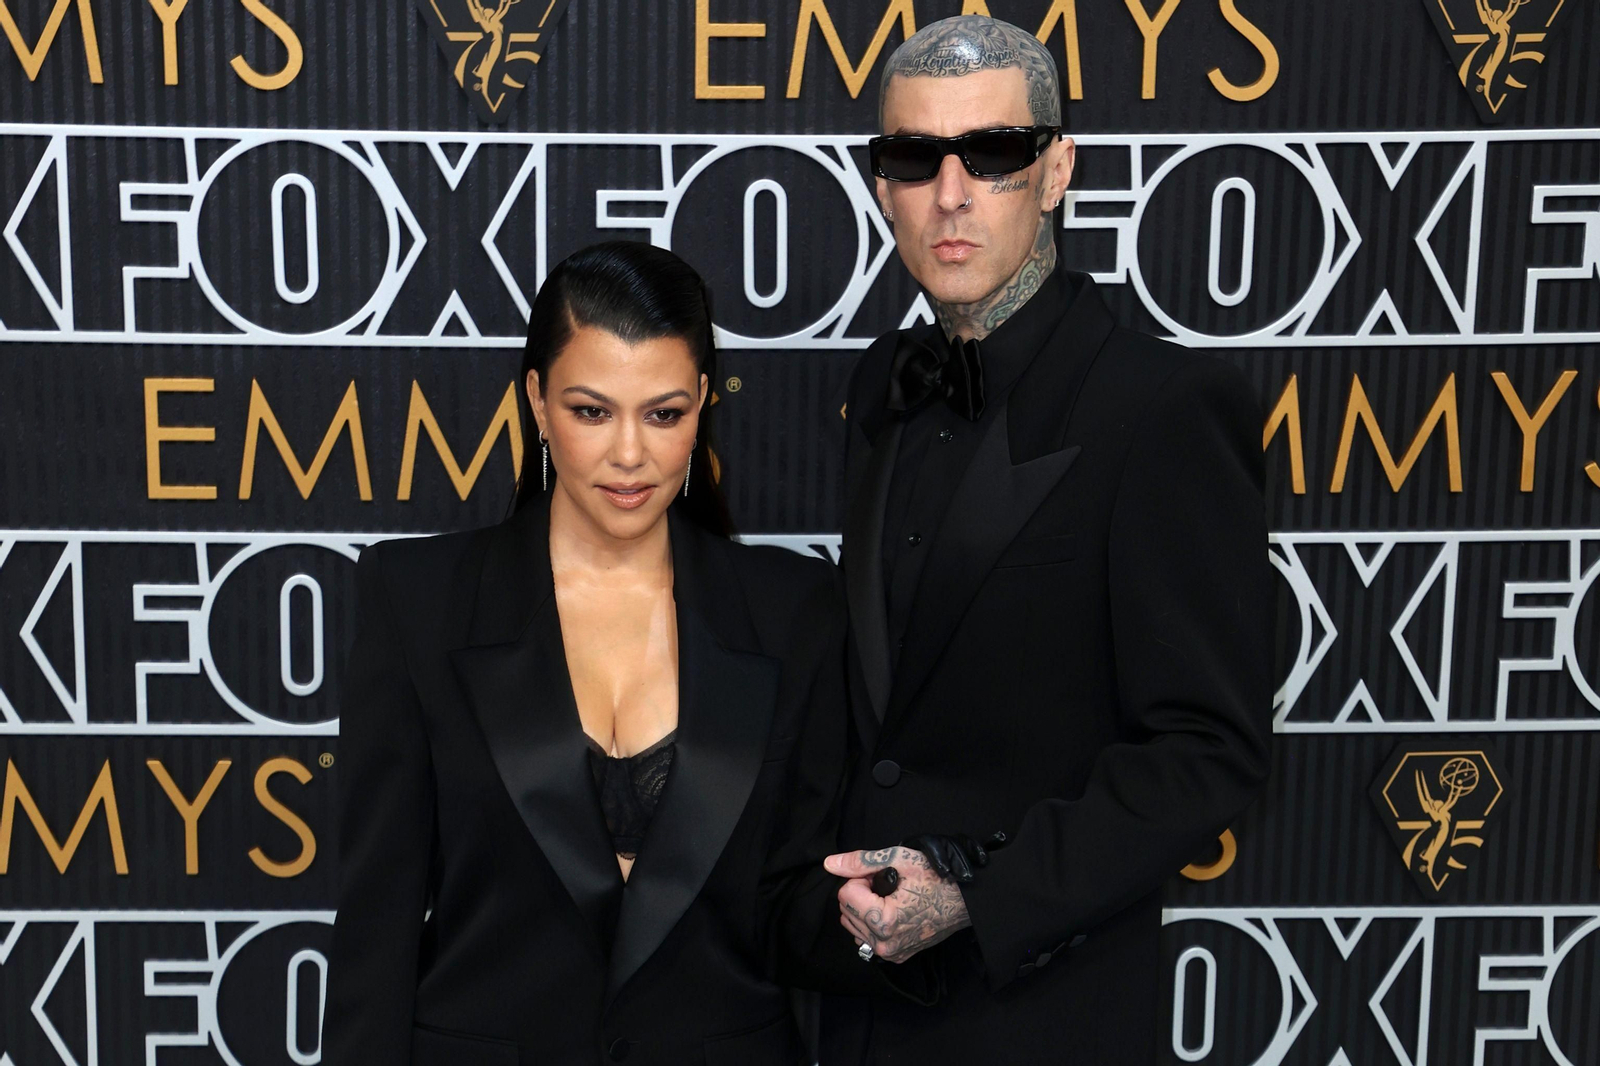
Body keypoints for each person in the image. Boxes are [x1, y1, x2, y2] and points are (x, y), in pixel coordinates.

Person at [819, 16, 1274, 1063]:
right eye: (912, 156)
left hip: (1042, 1010)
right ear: (880, 182)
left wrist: (977, 895)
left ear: (1056, 167)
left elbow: (1208, 748)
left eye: (992, 153)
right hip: (859, 1014)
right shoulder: (881, 388)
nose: (950, 193)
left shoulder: (1162, 407)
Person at [322, 241, 851, 1065]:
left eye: (665, 413)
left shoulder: (795, 612)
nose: (630, 455)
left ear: (706, 400)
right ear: (536, 400)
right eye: (592, 411)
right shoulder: (417, 600)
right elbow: (376, 928)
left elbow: (802, 913)